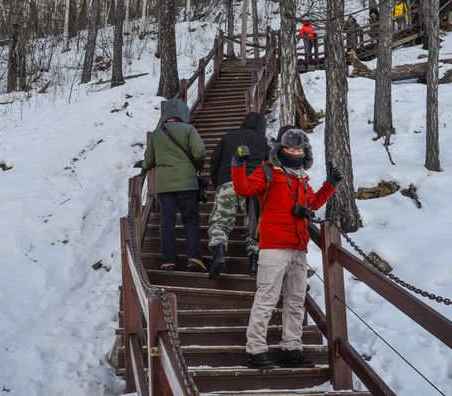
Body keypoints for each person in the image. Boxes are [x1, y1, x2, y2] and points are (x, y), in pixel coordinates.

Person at [231, 125, 343, 369]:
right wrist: (238, 163)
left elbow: (313, 202)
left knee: (295, 301)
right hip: (273, 246)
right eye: (290, 147)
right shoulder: (268, 171)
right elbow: (243, 189)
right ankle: (255, 350)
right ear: (279, 148)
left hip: (298, 248)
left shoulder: (302, 178)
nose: (294, 152)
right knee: (266, 299)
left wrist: (330, 184)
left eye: (299, 148)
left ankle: (291, 348)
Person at [137, 98, 207, 272]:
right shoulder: (189, 129)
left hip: (165, 186)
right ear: (183, 113)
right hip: (188, 184)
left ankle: (168, 260)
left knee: (167, 221)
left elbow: (149, 160)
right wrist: (197, 166)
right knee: (190, 220)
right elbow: (199, 152)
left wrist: (143, 167)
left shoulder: (157, 134)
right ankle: (194, 258)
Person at [207, 112, 271, 280]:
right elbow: (270, 168)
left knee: (220, 221)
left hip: (227, 183)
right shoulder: (263, 142)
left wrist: (218, 183)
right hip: (252, 187)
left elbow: (214, 161)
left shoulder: (228, 137)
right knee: (254, 224)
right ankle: (254, 262)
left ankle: (219, 253)